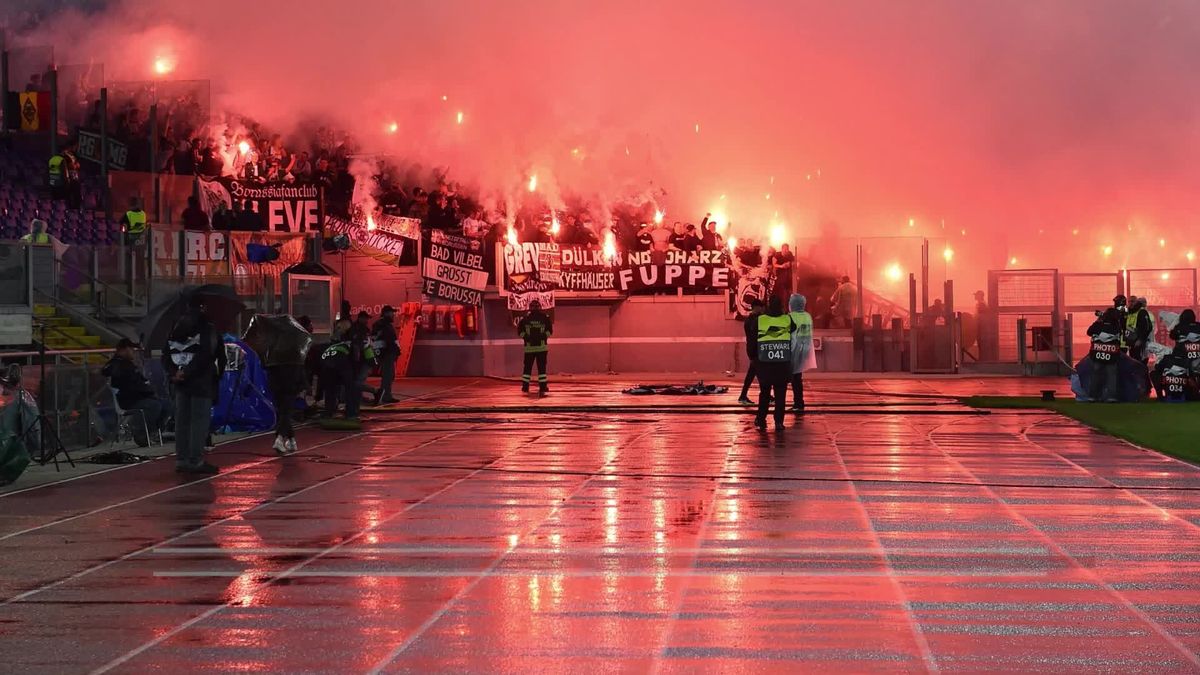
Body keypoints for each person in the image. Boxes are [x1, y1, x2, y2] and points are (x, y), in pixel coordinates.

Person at [164, 295, 224, 474]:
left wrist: (175, 373)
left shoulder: (176, 327)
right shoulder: (208, 327)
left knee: (182, 421)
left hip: (180, 383)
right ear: (203, 307)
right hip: (201, 382)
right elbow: (208, 355)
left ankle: (181, 460)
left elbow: (166, 354)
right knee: (199, 421)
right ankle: (196, 460)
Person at [102, 339, 170, 447]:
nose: (133, 352)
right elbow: (106, 371)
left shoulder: (130, 364)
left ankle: (155, 432)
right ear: (123, 350)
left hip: (141, 396)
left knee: (167, 405)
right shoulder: (116, 363)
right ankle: (140, 433)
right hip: (128, 400)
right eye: (131, 349)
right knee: (154, 406)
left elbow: (141, 381)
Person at [753, 295, 796, 430]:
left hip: (765, 363)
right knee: (780, 395)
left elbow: (752, 330)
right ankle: (778, 422)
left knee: (765, 394)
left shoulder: (760, 319)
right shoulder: (787, 319)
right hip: (782, 363)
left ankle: (760, 419)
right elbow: (793, 328)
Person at [1085, 308, 1123, 403]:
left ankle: (1093, 396)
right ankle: (1111, 397)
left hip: (1097, 355)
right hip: (1112, 356)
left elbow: (1089, 332)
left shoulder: (1098, 325)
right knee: (1111, 376)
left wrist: (1099, 320)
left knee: (1096, 375)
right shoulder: (1117, 327)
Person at [320, 319, 355, 418]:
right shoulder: (351, 336)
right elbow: (355, 352)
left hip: (331, 364)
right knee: (349, 389)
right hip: (343, 364)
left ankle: (329, 412)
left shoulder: (333, 336)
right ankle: (350, 413)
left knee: (330, 390)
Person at [788, 294, 815, 413]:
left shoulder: (790, 317)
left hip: (792, 350)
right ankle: (799, 402)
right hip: (804, 349)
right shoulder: (807, 316)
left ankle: (798, 402)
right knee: (798, 377)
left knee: (794, 378)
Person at [517, 300, 552, 394]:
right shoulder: (545, 318)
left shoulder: (525, 319)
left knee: (527, 369)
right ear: (540, 307)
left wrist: (526, 338)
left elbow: (520, 332)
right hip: (542, 348)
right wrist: (543, 337)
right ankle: (543, 387)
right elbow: (550, 331)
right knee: (542, 369)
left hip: (529, 349)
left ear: (530, 308)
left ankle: (525, 387)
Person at [738, 298, 764, 405]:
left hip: (754, 350)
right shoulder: (753, 320)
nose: (762, 309)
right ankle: (743, 396)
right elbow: (754, 336)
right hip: (755, 351)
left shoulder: (751, 319)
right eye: (761, 307)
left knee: (758, 374)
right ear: (756, 307)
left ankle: (744, 395)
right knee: (756, 374)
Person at [372, 305, 400, 404]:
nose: (393, 315)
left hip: (387, 353)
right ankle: (385, 396)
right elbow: (387, 340)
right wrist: (393, 350)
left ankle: (386, 394)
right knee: (388, 375)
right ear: (386, 313)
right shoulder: (383, 325)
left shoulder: (383, 324)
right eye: (392, 313)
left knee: (389, 375)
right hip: (386, 354)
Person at [350, 311, 379, 405]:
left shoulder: (359, 328)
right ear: (361, 318)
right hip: (363, 359)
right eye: (366, 318)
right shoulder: (359, 329)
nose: (367, 321)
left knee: (358, 381)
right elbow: (359, 345)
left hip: (363, 359)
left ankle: (361, 396)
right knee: (358, 381)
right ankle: (374, 391)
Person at [1125, 297, 1153, 362]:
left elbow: (1147, 327)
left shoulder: (1141, 312)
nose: (1130, 303)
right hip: (1131, 342)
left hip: (1139, 342)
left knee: (1140, 361)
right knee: (1133, 361)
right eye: (1129, 301)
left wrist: (1140, 340)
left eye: (1133, 301)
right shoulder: (1129, 312)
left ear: (1137, 302)